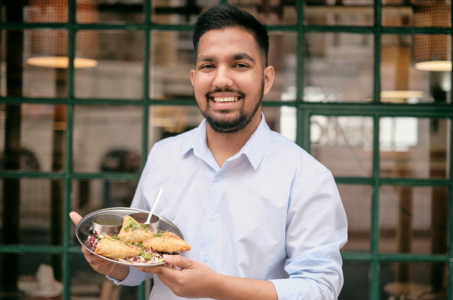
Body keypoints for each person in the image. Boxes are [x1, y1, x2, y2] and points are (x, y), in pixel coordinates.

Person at [70, 4, 348, 300]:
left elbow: (320, 289)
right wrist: (110, 263)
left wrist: (216, 286)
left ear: (266, 79)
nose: (221, 80)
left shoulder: (306, 178)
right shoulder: (164, 156)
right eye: (208, 66)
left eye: (239, 65)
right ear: (194, 78)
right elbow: (143, 261)